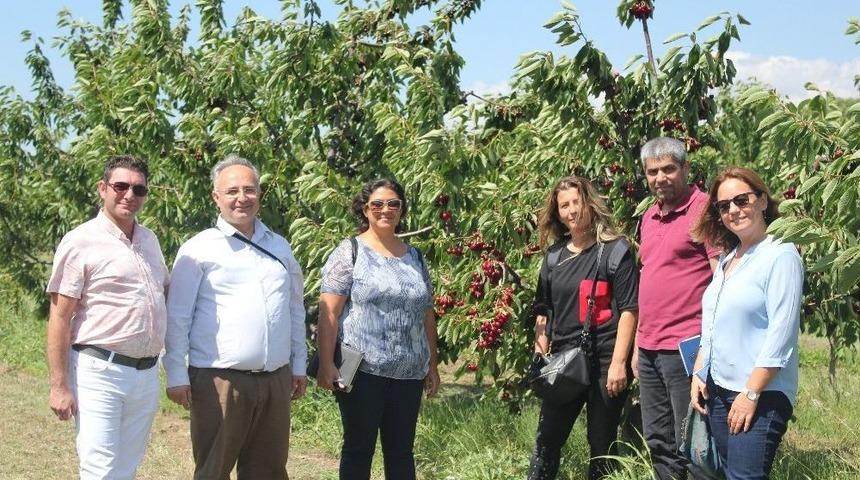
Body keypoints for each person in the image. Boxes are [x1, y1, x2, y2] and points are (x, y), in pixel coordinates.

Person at [163, 154, 308, 480]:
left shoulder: (281, 247)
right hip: (219, 382)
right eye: (232, 191)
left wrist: (298, 366)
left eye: (250, 189)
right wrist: (175, 373)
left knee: (269, 471)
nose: (242, 198)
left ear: (260, 193)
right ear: (216, 197)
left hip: (274, 380)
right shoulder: (198, 249)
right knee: (213, 469)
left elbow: (294, 309)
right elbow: (178, 317)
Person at [46, 155, 169, 479]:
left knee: (125, 469)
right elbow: (59, 316)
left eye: (139, 189)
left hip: (145, 374)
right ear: (103, 189)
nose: (129, 195)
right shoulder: (80, 241)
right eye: (121, 186)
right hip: (99, 370)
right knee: (99, 469)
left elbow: (163, 295)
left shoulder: (150, 241)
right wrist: (59, 385)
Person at [316, 178, 440, 480]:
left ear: (402, 210)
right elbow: (329, 311)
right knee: (359, 450)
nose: (386, 210)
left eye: (393, 204)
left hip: (409, 375)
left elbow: (426, 314)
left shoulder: (415, 257)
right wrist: (326, 364)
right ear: (365, 209)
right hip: (362, 372)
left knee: (401, 453)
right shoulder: (350, 251)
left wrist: (432, 365)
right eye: (378, 204)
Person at [690, 167, 802, 480]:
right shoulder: (728, 258)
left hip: (761, 392)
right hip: (720, 389)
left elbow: (782, 335)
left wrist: (751, 394)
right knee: (729, 474)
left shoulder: (781, 254)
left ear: (763, 201)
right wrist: (701, 372)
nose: (733, 210)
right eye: (724, 206)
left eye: (742, 200)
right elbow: (711, 322)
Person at [527, 176, 639, 480]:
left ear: (590, 203)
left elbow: (629, 309)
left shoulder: (615, 251)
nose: (572, 210)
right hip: (563, 363)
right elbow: (543, 312)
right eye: (564, 205)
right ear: (557, 212)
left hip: (604, 361)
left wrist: (619, 363)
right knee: (547, 440)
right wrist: (541, 357)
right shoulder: (554, 258)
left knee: (601, 443)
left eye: (577, 202)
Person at [635, 137, 720, 480]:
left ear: (686, 169)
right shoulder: (649, 216)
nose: (661, 178)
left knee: (693, 440)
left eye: (669, 169)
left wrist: (710, 346)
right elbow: (648, 277)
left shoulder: (703, 209)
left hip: (686, 346)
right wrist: (638, 346)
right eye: (653, 172)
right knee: (658, 439)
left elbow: (720, 278)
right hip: (650, 345)